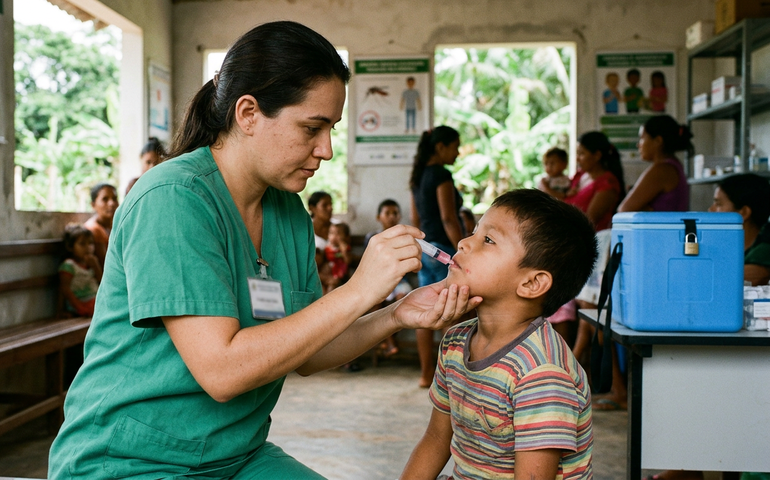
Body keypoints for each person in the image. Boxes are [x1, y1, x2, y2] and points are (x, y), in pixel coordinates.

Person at [48, 21, 481, 480]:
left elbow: (308, 350)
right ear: (248, 113)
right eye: (312, 128)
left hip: (236, 457)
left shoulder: (287, 212)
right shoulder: (173, 199)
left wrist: (396, 313)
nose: (327, 149)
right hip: (131, 461)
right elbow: (223, 372)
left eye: (331, 128)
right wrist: (360, 289)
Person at [400, 189, 598, 480]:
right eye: (474, 232)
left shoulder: (542, 374)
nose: (463, 243)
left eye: (488, 240)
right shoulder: (455, 343)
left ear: (531, 283)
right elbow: (436, 439)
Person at [410, 125, 465, 388]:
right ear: (441, 147)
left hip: (426, 249)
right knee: (451, 313)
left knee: (426, 311)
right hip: (445, 250)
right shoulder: (441, 175)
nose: (458, 152)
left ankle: (425, 375)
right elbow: (448, 217)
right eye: (455, 146)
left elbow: (415, 220)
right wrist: (463, 251)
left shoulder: (417, 176)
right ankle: (450, 378)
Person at [541, 131, 625, 231]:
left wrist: (546, 189)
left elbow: (589, 221)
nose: (577, 159)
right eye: (577, 153)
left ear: (597, 155)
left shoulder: (607, 183)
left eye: (581, 154)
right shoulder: (580, 175)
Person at [365, 199, 414, 357]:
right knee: (376, 303)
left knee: (404, 301)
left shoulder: (404, 237)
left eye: (395, 213)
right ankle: (389, 341)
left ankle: (385, 340)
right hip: (378, 281)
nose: (391, 217)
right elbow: (369, 263)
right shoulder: (373, 238)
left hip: (400, 281)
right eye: (387, 213)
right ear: (379, 217)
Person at [618, 115, 690, 213]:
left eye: (642, 138)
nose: (638, 144)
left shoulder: (662, 169)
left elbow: (623, 210)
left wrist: (642, 208)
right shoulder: (674, 165)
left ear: (658, 141)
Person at [710, 173, 770, 285]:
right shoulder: (724, 244)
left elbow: (758, 274)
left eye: (718, 204)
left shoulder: (765, 248)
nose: (711, 210)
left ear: (743, 212)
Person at [58, 223, 102, 318]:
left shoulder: (91, 263)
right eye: (82, 244)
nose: (88, 247)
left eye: (90, 243)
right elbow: (64, 289)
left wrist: (95, 266)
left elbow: (101, 281)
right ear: (70, 247)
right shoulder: (69, 265)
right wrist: (78, 307)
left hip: (94, 301)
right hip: (79, 304)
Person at [83, 182, 118, 269]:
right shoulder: (93, 229)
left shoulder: (115, 225)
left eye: (114, 199)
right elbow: (106, 265)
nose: (111, 203)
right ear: (93, 205)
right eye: (105, 199)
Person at [322, 221, 352, 294]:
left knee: (332, 286)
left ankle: (327, 301)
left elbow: (348, 261)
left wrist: (343, 252)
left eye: (338, 233)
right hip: (327, 273)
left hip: (339, 273)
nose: (334, 236)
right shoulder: (327, 248)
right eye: (331, 233)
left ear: (346, 236)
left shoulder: (344, 248)